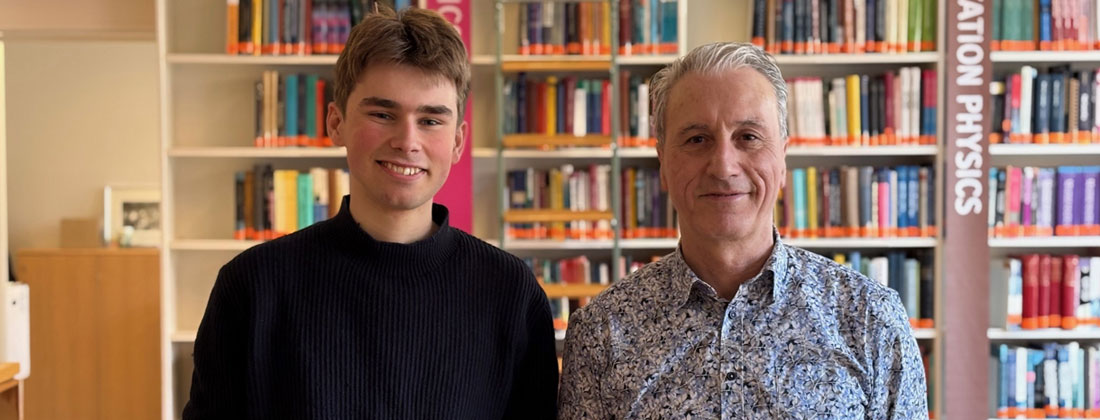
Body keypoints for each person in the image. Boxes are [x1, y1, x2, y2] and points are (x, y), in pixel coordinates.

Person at [183, 7, 558, 419]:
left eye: (431, 119)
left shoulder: (510, 293)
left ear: (457, 141)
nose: (407, 141)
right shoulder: (253, 288)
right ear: (336, 121)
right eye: (383, 114)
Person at [558, 42, 928, 419]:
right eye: (697, 139)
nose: (723, 166)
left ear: (782, 159)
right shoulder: (603, 332)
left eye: (748, 137)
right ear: (663, 164)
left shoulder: (869, 319)